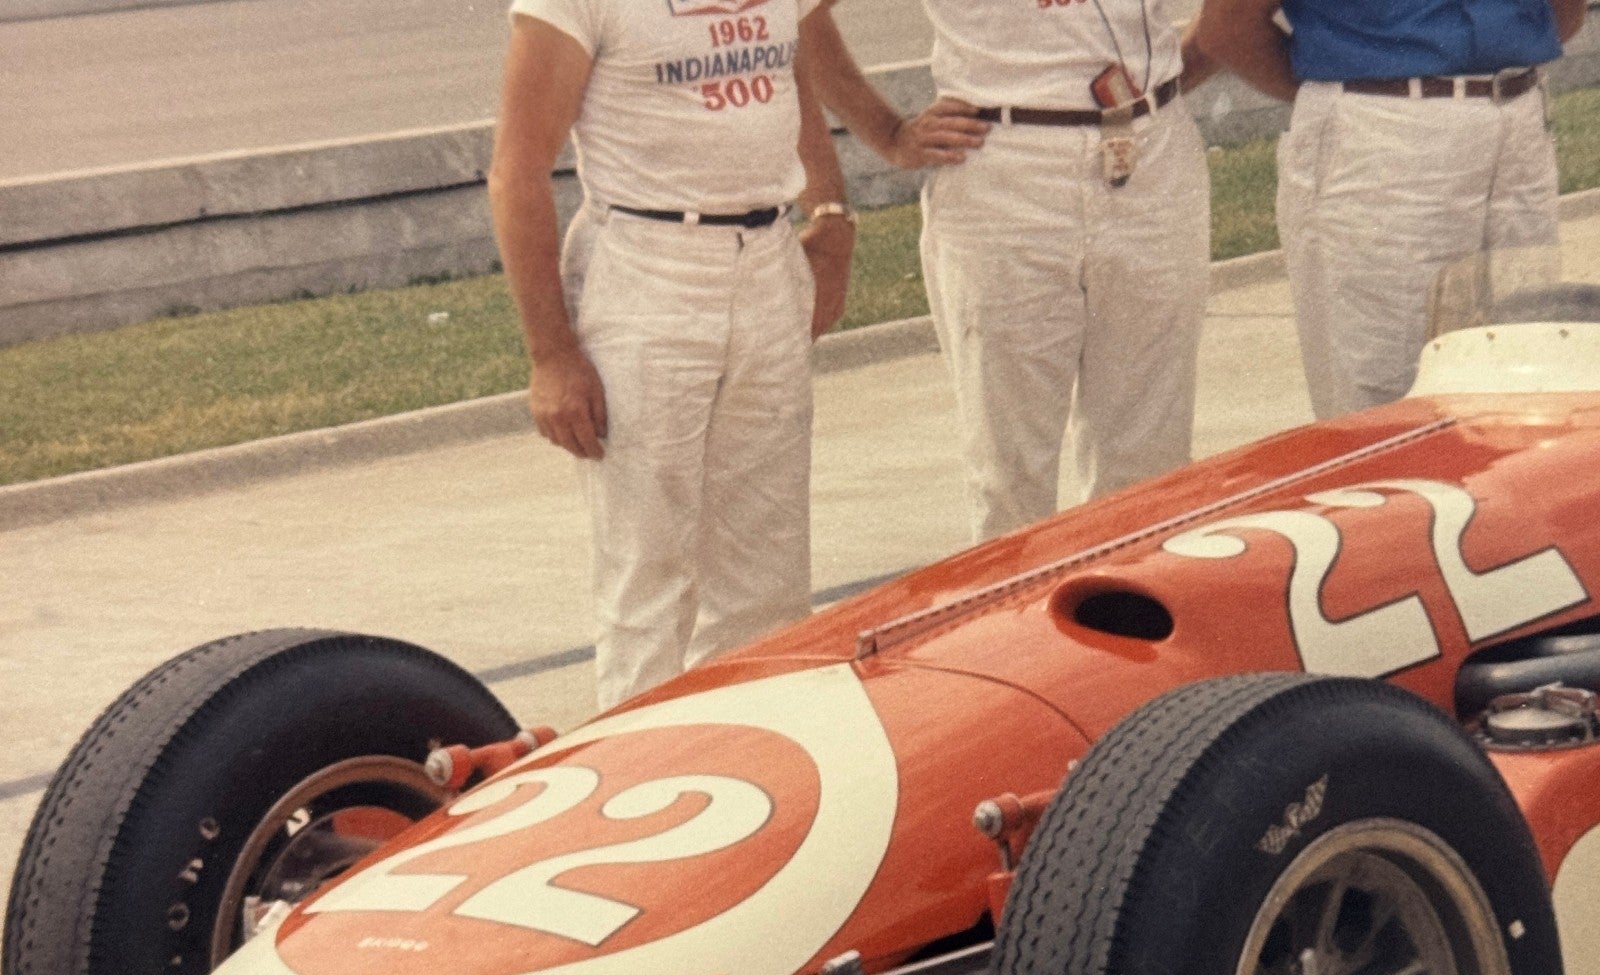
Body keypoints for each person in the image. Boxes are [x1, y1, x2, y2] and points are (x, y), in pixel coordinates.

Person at [488, 0, 856, 710]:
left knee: (768, 575)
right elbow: (517, 169)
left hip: (768, 257)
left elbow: (791, 80)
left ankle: (765, 770)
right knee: (649, 578)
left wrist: (831, 215)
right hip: (647, 269)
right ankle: (646, 787)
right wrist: (552, 352)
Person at [807, 1, 1216, 542]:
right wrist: (888, 133)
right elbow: (800, 16)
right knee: (1009, 478)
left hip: (1153, 151)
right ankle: (1019, 624)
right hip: (1006, 160)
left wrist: (1168, 81)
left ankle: (1130, 621)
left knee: (1150, 464)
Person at [1195, 0, 1589, 419]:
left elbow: (1566, 12)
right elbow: (1227, 28)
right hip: (1385, 133)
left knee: (1523, 375)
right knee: (1388, 395)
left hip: (1520, 116)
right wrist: (1356, 85)